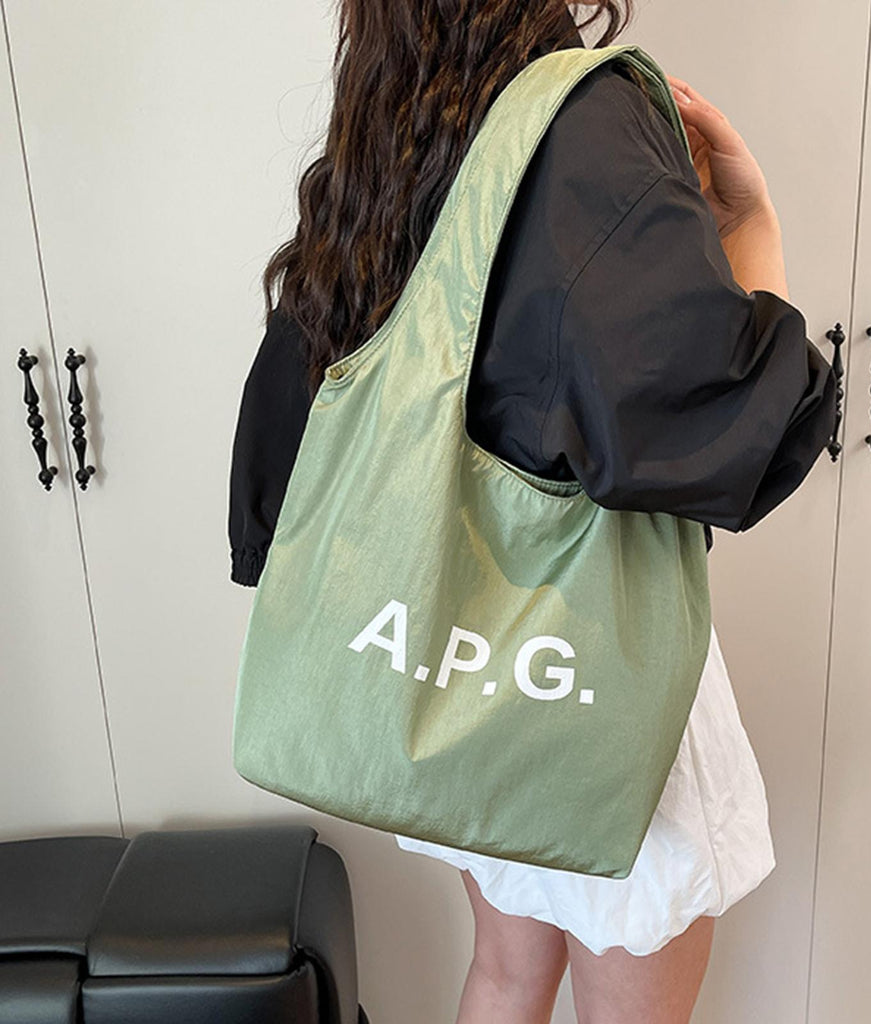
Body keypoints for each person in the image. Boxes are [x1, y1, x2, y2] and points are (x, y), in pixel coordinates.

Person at [228, 2, 838, 1021]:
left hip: (436, 667)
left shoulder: (396, 111)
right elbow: (730, 424)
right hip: (587, 682)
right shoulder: (588, 115)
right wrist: (750, 222)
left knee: (507, 972)